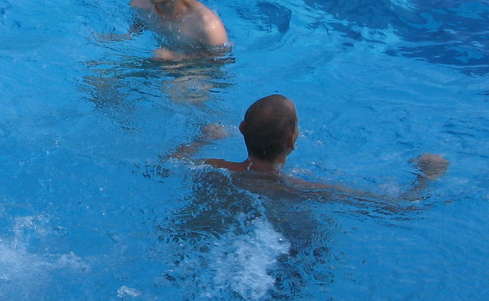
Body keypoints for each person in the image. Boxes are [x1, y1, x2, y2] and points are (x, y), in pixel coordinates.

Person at [175, 93, 448, 196]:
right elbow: (399, 207)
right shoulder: (304, 188)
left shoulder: (213, 169)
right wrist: (427, 175)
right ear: (292, 141)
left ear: (242, 129)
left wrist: (202, 139)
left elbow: (168, 164)